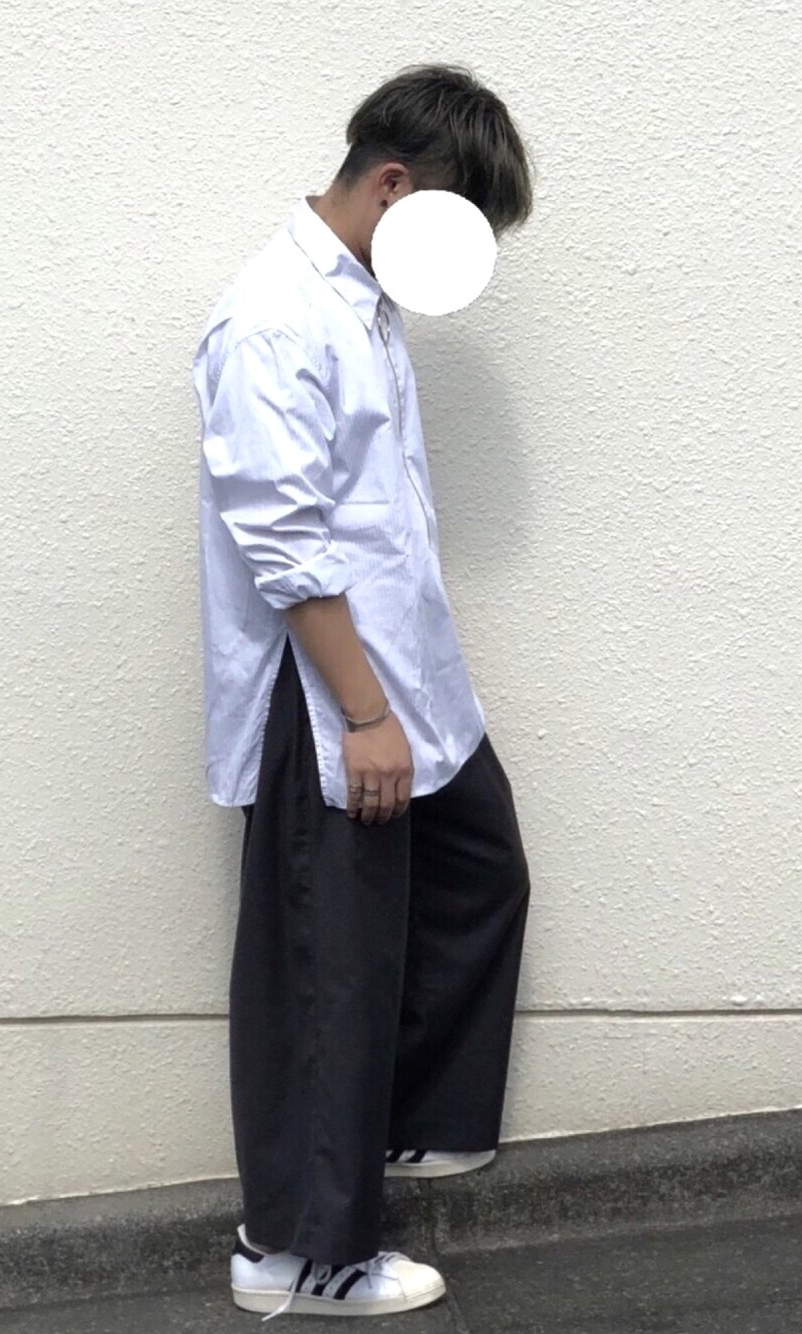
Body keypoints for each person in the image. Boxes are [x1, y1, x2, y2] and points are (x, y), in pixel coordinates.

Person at [191, 61, 536, 1321]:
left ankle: (393, 1121)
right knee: (324, 961)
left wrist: (408, 693)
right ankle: (296, 1252)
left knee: (478, 868)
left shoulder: (359, 300)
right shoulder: (272, 319)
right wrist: (365, 712)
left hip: (402, 669)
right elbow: (282, 543)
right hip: (323, 687)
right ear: (394, 186)